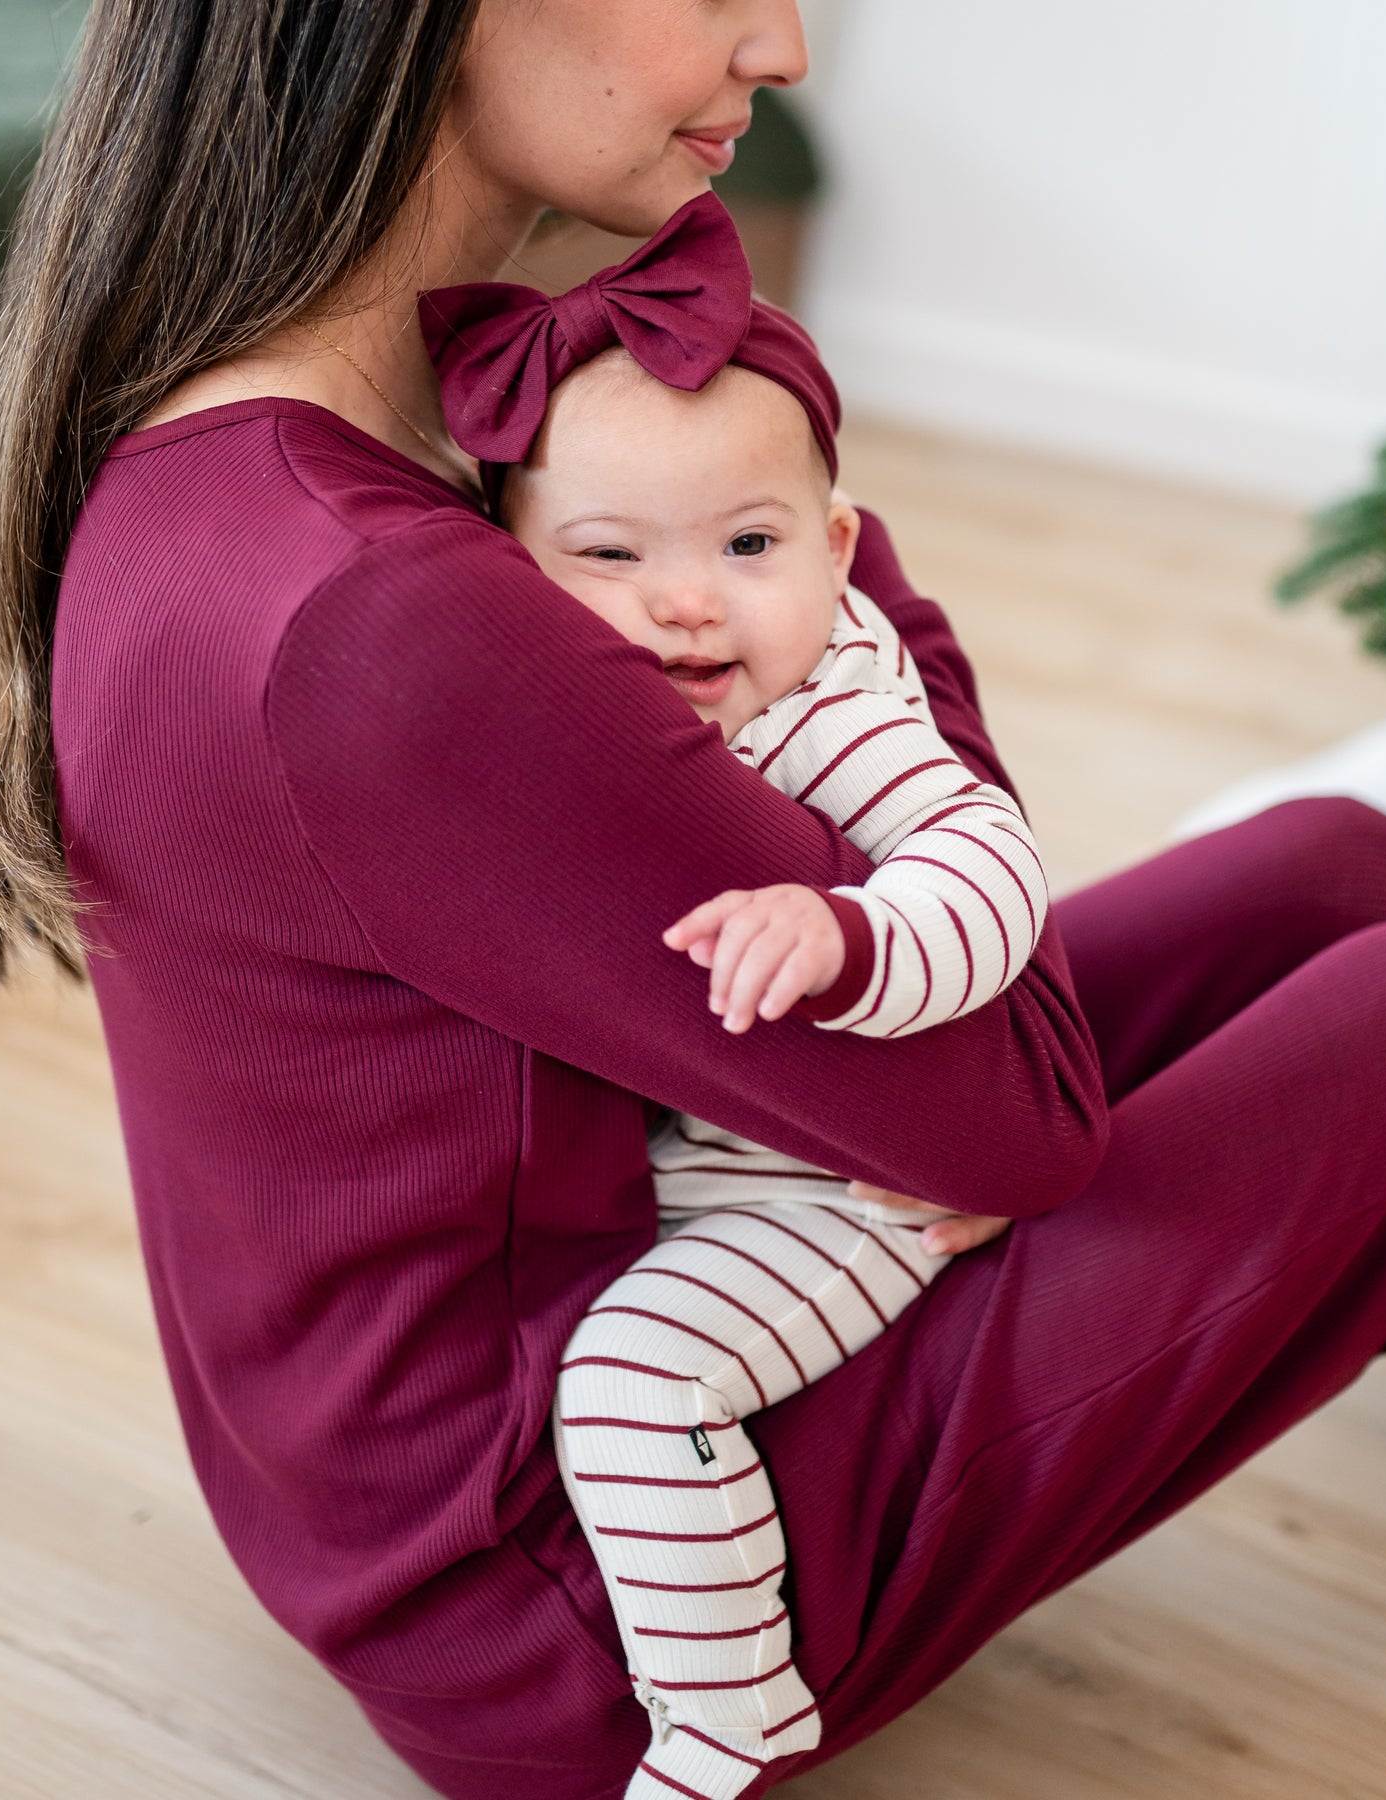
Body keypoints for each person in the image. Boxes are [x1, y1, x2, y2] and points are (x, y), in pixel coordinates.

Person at [0, 4, 1386, 1798]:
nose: (781, 45)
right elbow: (1022, 1129)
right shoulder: (385, 617)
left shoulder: (238, 452)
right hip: (609, 1582)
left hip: (433, 1466)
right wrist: (835, 576)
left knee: (1339, 870)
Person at [415, 190, 1050, 1796]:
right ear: (510, 575)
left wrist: (853, 935)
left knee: (634, 1379)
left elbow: (989, 863)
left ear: (838, 555)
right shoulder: (570, 713)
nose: (690, 601)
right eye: (610, 559)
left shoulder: (828, 706)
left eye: (749, 547)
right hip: (698, 1168)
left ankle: (729, 1714)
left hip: (831, 1194)